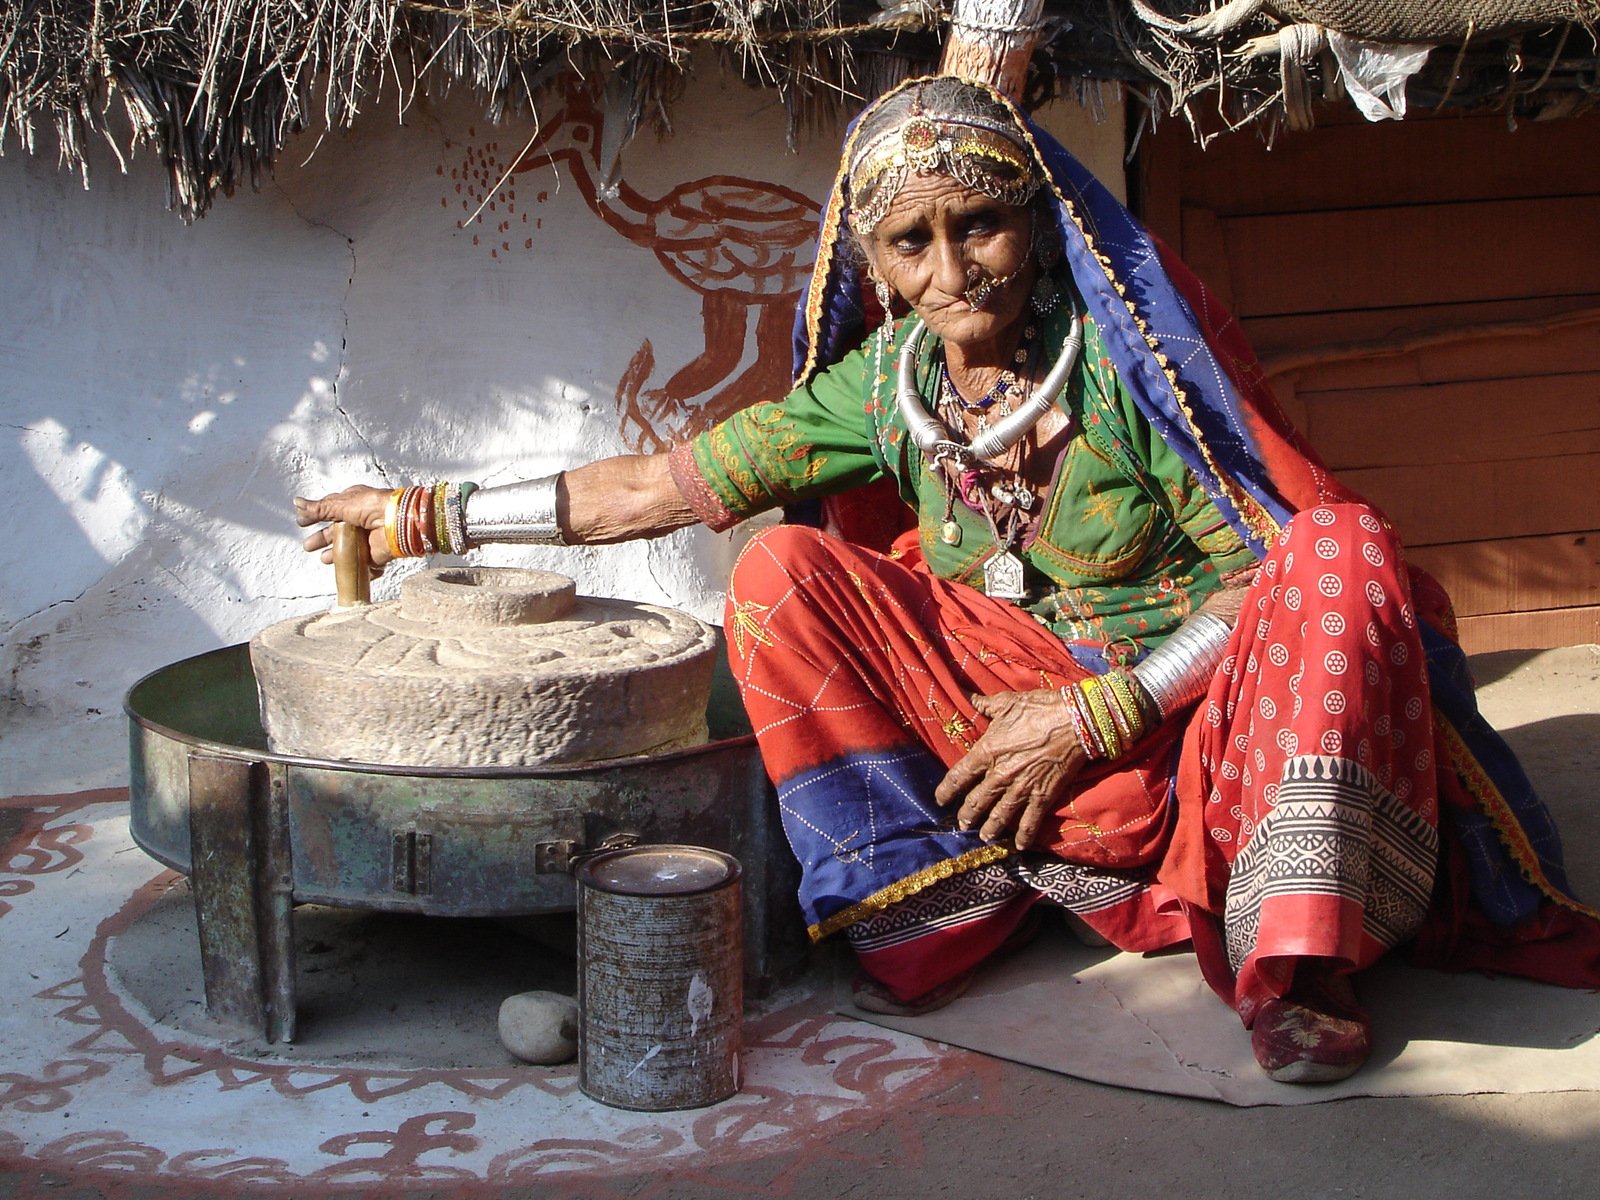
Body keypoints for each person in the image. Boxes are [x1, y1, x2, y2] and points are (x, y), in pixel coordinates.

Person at [296, 75, 1600, 1084]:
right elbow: (650, 490)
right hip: (1006, 715)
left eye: (979, 224)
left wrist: (1102, 709)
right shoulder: (885, 387)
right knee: (782, 571)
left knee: (1343, 550)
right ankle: (941, 904)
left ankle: (1294, 967)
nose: (952, 270)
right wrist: (419, 512)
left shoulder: (1124, 372)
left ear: (1035, 225)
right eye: (911, 244)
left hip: (1193, 727)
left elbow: (1268, 577)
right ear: (875, 264)